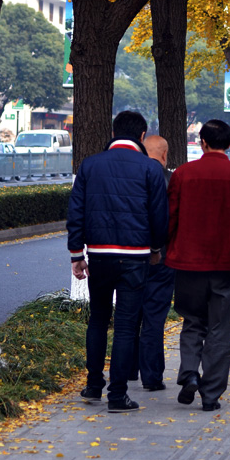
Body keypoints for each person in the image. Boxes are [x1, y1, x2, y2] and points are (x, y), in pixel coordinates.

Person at [67, 110, 168, 413]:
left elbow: (76, 211)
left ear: (113, 133)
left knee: (97, 319)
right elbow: (159, 217)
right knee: (125, 327)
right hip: (135, 258)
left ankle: (94, 385)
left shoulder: (90, 165)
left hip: (99, 255)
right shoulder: (150, 169)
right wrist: (155, 248)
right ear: (141, 136)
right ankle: (118, 395)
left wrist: (76, 254)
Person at [165, 118, 230, 411]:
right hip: (228, 264)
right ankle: (210, 395)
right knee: (221, 328)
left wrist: (171, 248)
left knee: (193, 320)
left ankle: (188, 374)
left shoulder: (183, 175)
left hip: (188, 263)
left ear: (202, 142)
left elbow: (170, 217)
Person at [128, 134, 176, 392]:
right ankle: (152, 376)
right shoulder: (172, 181)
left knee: (130, 312)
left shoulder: (131, 177)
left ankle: (127, 369)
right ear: (165, 155)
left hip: (130, 255)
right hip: (163, 258)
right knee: (154, 318)